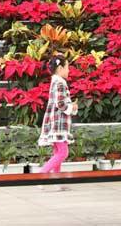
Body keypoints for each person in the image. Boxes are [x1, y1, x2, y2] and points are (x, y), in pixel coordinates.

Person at [37, 54, 78, 190]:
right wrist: (72, 107)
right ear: (60, 68)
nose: (69, 71)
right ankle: (41, 175)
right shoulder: (60, 83)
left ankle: (57, 181)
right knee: (62, 153)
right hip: (58, 125)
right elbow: (61, 104)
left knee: (58, 152)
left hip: (56, 123)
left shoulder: (56, 82)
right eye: (67, 68)